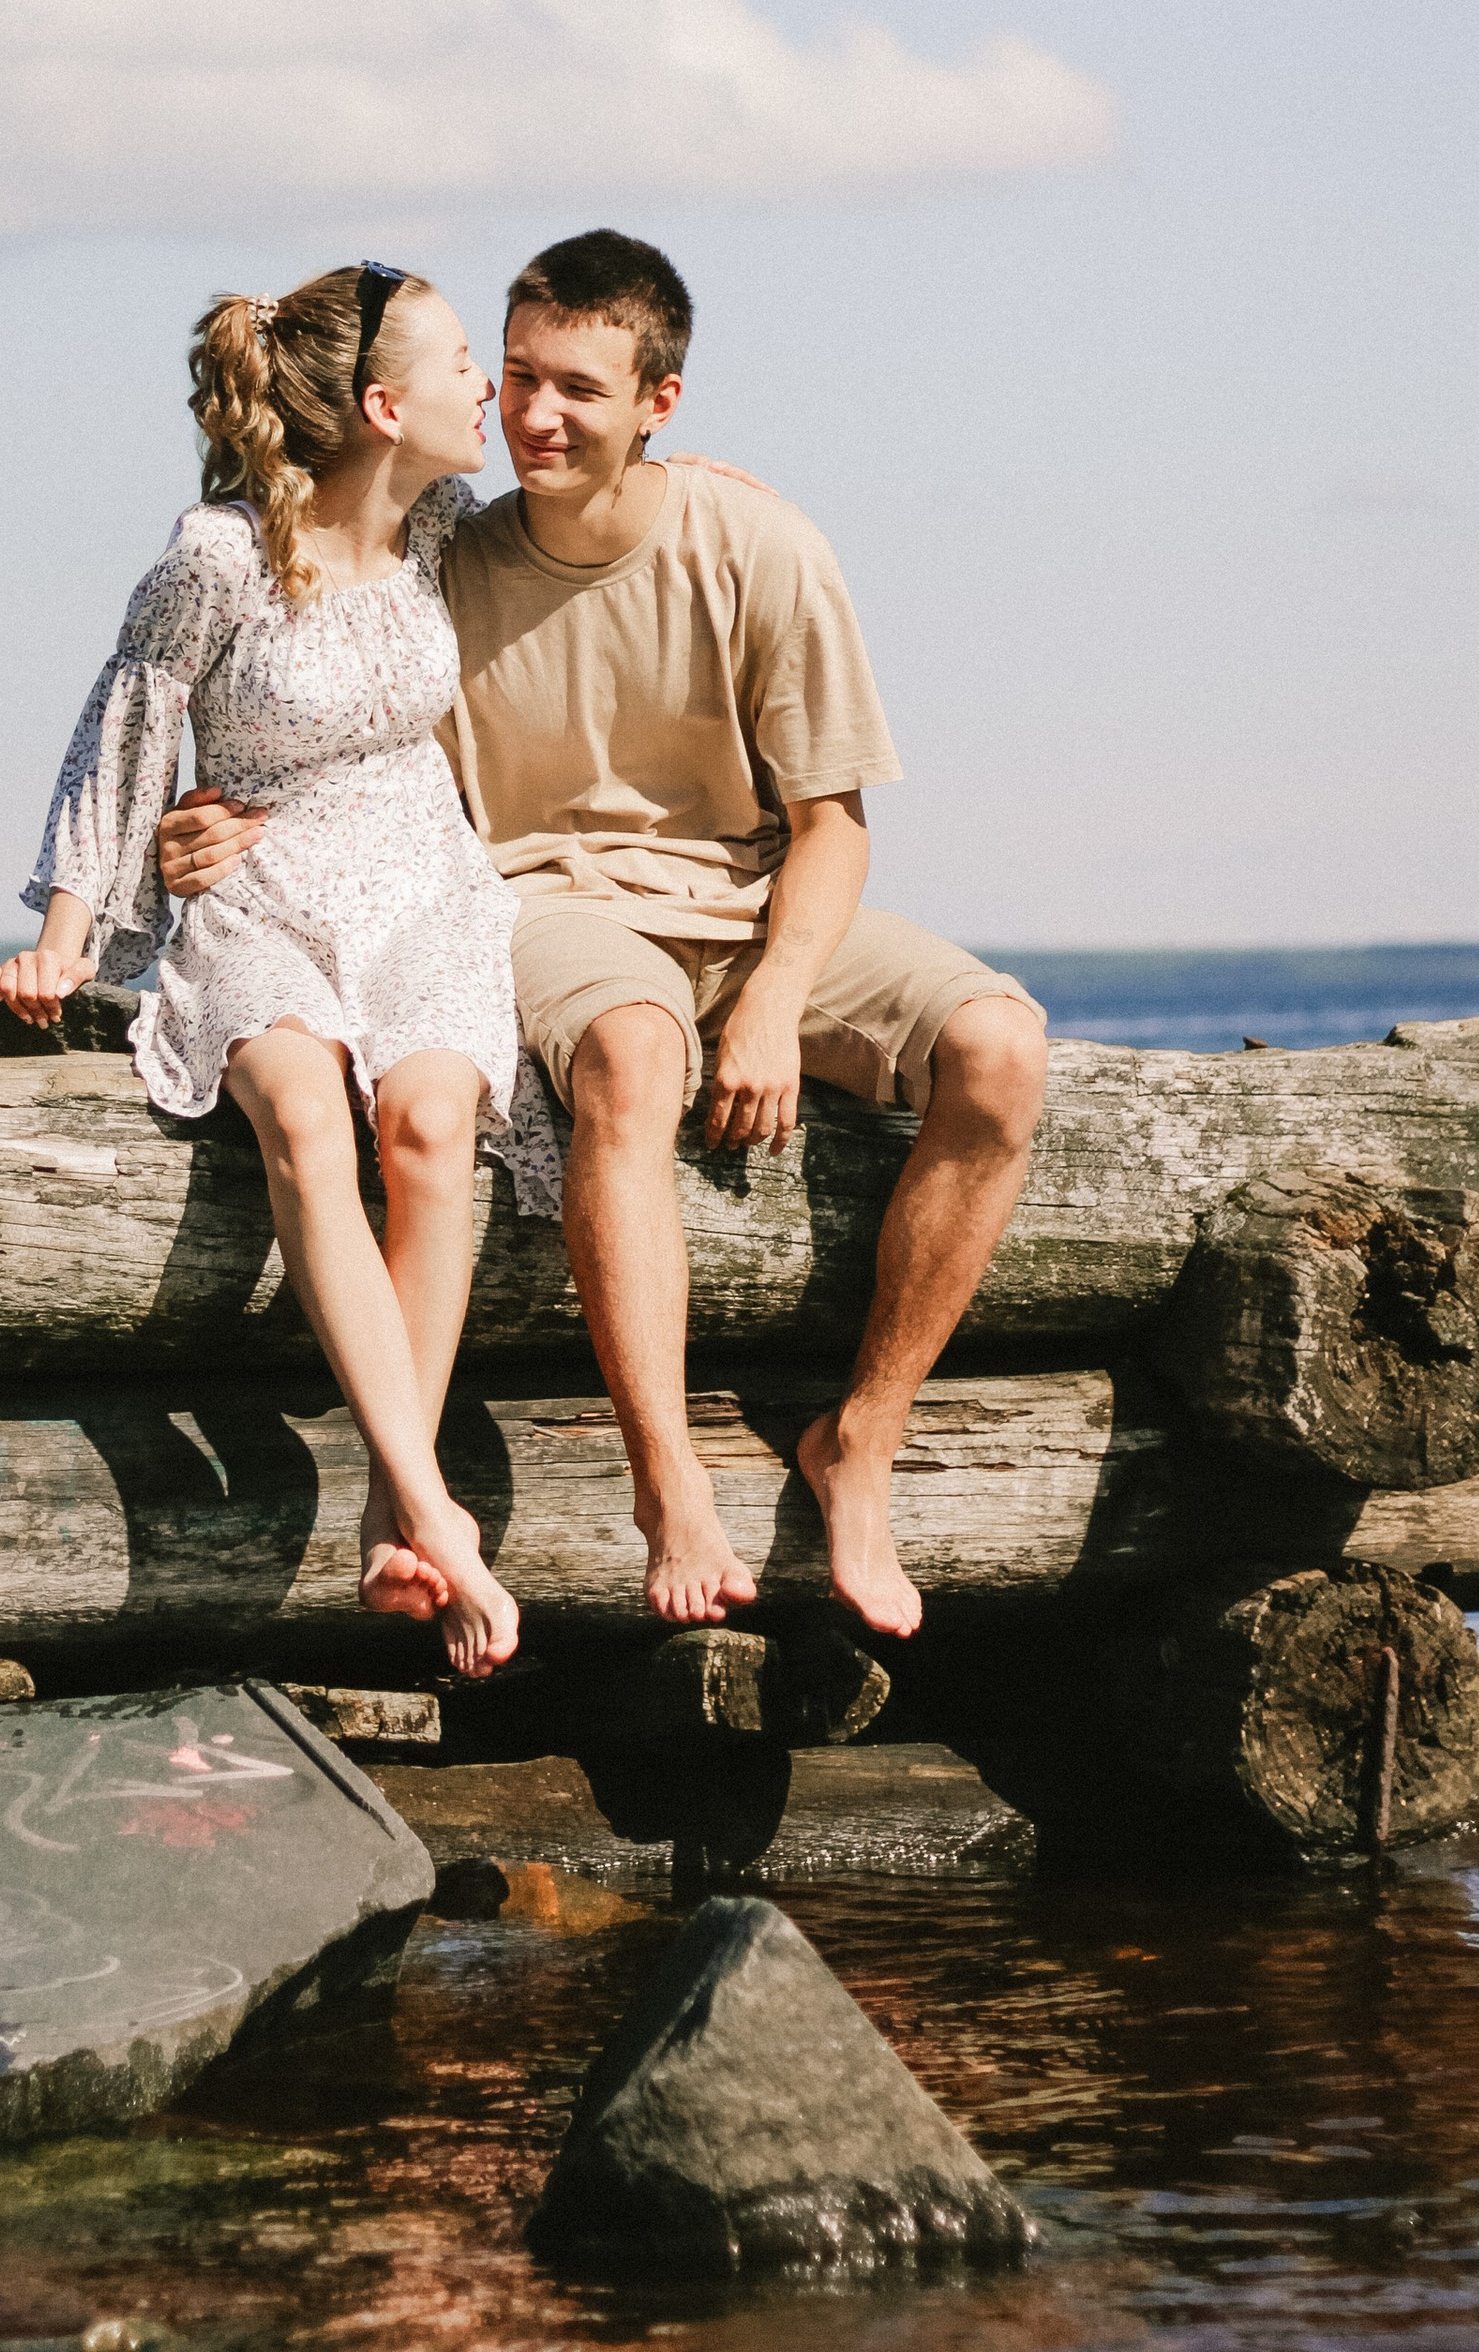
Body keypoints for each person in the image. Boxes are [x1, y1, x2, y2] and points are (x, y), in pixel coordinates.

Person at [160, 227, 1051, 1641]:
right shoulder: (449, 550)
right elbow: (304, 677)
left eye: (579, 387)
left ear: (663, 403)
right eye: (513, 377)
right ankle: (669, 1487)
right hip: (546, 908)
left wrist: (773, 999)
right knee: (636, 1062)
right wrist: (211, 821)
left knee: (1003, 1051)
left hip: (748, 907)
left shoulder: (761, 544)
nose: (534, 416)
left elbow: (834, 825)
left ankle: (860, 1445)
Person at [0, 260, 524, 1677]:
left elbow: (601, 528)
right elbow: (125, 721)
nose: (492, 388)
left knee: (428, 1127)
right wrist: (65, 934)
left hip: (424, 880)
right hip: (260, 888)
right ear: (384, 403)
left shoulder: (444, 522)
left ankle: (383, 1507)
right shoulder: (217, 555)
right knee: (299, 1107)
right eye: (467, 361)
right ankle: (430, 1507)